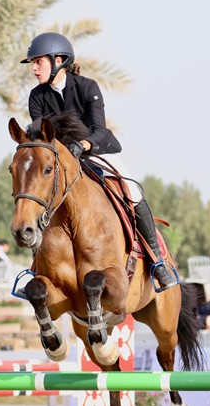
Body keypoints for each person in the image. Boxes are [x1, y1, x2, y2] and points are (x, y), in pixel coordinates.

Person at [20, 32, 176, 291]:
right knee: (39, 196)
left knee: (133, 191)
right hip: (61, 160)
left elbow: (100, 129)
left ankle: (157, 261)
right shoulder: (37, 96)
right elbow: (41, 134)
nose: (34, 69)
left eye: (38, 62)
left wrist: (82, 145)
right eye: (33, 63)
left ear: (58, 60)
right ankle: (37, 266)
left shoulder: (87, 87)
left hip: (95, 150)